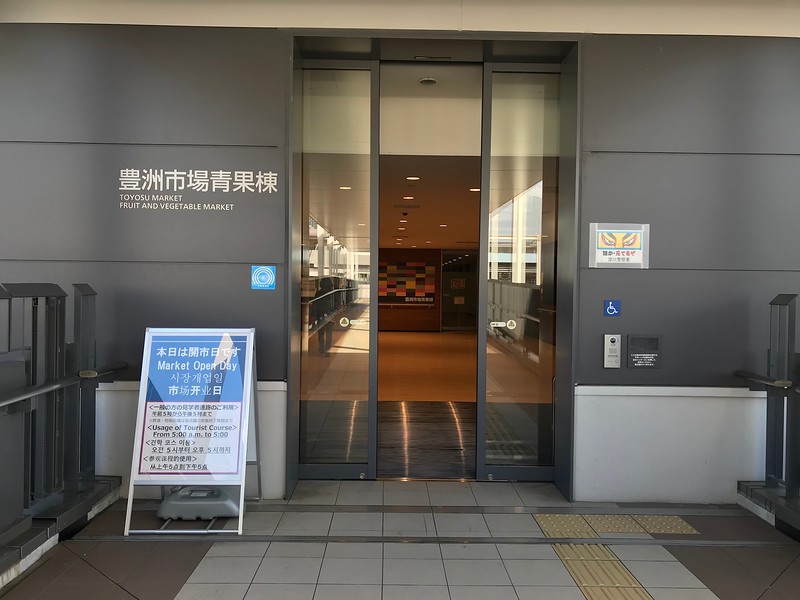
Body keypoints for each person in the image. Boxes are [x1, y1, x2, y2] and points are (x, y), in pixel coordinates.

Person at [311, 277, 334, 356]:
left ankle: (321, 348)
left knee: (321, 333)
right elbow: (336, 303)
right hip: (330, 315)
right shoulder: (332, 292)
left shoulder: (318, 293)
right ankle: (327, 349)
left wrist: (313, 315)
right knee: (329, 333)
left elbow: (315, 304)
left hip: (320, 315)